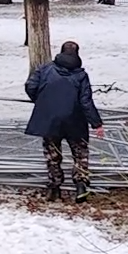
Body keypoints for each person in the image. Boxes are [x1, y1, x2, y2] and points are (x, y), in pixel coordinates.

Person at [25, 40, 104, 203]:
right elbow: (86, 102)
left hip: (49, 119)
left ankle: (54, 187)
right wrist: (96, 123)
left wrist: (42, 102)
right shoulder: (81, 75)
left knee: (52, 154)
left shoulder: (45, 69)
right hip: (75, 120)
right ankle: (81, 185)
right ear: (77, 54)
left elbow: (30, 86)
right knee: (80, 154)